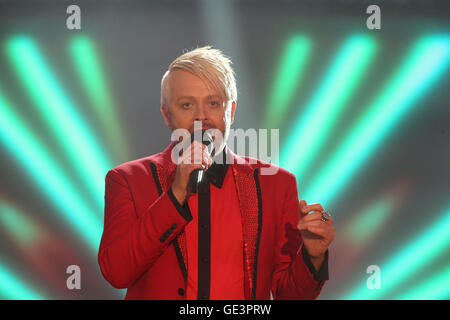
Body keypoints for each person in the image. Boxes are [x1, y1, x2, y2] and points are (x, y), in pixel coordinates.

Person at [98, 46, 335, 300]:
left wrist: (313, 257)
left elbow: (289, 296)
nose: (201, 117)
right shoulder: (127, 180)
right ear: (167, 115)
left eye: (213, 103)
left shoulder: (276, 184)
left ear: (230, 111)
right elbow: (117, 273)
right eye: (187, 105)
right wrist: (176, 193)